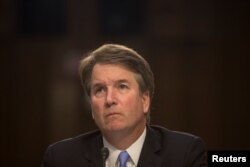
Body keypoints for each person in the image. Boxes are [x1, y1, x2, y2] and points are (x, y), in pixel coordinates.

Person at [41, 44, 207, 167]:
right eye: (99, 90)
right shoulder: (61, 158)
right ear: (91, 105)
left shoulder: (184, 154)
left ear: (145, 100)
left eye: (122, 86)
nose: (109, 99)